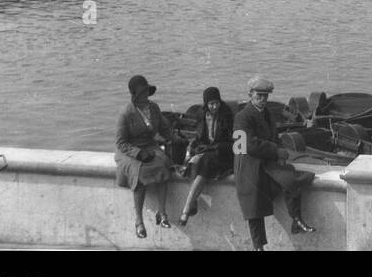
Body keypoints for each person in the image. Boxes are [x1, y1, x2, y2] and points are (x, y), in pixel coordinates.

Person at [233, 76, 316, 250]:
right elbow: (248, 145)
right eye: (259, 95)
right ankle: (258, 247)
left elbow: (274, 137)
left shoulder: (267, 114)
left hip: (266, 161)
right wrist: (276, 150)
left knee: (291, 179)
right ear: (250, 94)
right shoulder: (242, 116)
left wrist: (279, 150)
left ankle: (296, 218)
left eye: (265, 96)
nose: (263, 99)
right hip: (248, 165)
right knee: (254, 207)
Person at [115, 74, 177, 239]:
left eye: (146, 92)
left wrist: (174, 137)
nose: (145, 96)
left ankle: (162, 213)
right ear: (135, 95)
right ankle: (139, 221)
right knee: (140, 173)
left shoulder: (154, 108)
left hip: (149, 146)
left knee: (164, 166)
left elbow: (165, 128)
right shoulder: (126, 114)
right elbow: (121, 143)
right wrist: (138, 153)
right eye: (141, 93)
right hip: (129, 150)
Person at [178, 86, 235, 227]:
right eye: (211, 104)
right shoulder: (202, 115)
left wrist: (208, 150)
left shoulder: (227, 116)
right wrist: (194, 150)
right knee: (193, 161)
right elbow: (199, 139)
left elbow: (231, 142)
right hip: (207, 152)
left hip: (223, 153)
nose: (214, 106)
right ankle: (192, 204)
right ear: (206, 104)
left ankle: (186, 208)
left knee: (204, 162)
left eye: (217, 103)